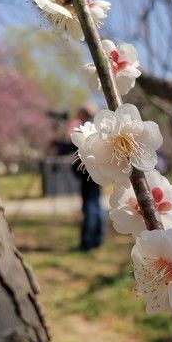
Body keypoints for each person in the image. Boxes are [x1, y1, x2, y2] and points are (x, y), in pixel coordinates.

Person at [69, 105, 104, 251]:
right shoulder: (99, 128)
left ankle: (87, 242)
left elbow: (76, 147)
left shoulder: (85, 129)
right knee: (96, 206)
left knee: (89, 207)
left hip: (88, 174)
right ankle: (97, 239)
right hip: (98, 173)